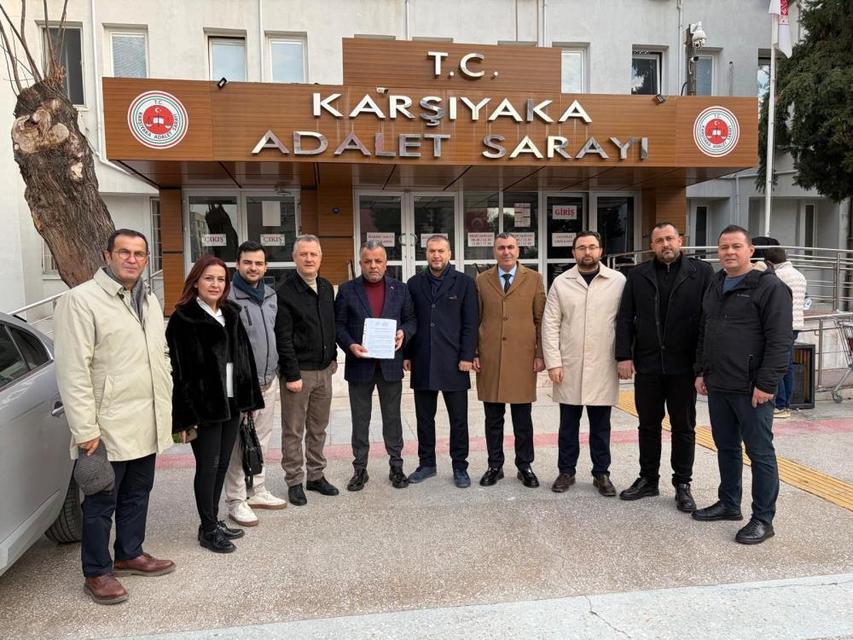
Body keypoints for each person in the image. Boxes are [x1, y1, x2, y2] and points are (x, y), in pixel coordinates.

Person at [54, 229, 175, 605]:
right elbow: (73, 371)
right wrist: (85, 429)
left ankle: (129, 553)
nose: (132, 259)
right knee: (100, 499)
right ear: (107, 256)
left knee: (138, 493)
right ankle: (97, 571)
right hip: (105, 427)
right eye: (124, 252)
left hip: (146, 418)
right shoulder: (81, 300)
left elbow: (160, 355)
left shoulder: (148, 299)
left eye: (139, 253)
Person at [693, 225, 792, 545]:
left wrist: (767, 383)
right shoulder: (716, 283)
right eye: (724, 247)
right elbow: (705, 330)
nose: (729, 252)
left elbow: (780, 340)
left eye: (736, 246)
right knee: (726, 447)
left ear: (750, 250)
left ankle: (763, 519)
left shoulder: (769, 287)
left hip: (752, 389)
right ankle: (729, 503)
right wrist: (701, 371)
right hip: (719, 383)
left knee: (760, 453)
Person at [167, 255, 264, 554]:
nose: (215, 284)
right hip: (204, 406)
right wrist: (184, 416)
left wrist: (249, 398)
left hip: (232, 403)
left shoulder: (231, 312)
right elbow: (179, 371)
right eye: (209, 278)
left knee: (222, 464)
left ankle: (213, 520)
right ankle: (208, 529)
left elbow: (244, 358)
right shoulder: (183, 319)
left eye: (221, 279)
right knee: (208, 466)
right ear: (196, 281)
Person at [615, 223, 714, 511]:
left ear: (680, 241)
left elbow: (708, 321)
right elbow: (625, 317)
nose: (665, 244)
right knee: (648, 425)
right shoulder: (638, 274)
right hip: (648, 364)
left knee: (684, 427)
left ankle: (682, 483)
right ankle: (648, 478)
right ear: (652, 246)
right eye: (659, 240)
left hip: (684, 365)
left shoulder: (701, 272)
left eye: (670, 239)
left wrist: (702, 367)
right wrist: (624, 356)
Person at [542, 231, 626, 497]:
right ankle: (566, 471)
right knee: (568, 424)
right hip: (570, 365)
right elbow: (550, 324)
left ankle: (601, 473)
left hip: (604, 364)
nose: (587, 252)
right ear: (573, 253)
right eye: (581, 248)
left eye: (592, 247)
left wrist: (625, 357)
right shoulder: (561, 283)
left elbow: (625, 323)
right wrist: (553, 363)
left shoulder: (618, 281)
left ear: (600, 251)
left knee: (601, 426)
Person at [335, 241, 417, 491]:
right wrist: (350, 345)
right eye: (368, 261)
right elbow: (338, 325)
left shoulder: (400, 289)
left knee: (393, 419)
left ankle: (396, 466)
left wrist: (404, 333)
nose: (373, 265)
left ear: (386, 263)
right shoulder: (347, 290)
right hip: (359, 365)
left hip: (390, 365)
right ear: (360, 263)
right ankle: (360, 469)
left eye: (378, 261)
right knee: (360, 420)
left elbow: (411, 320)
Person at [404, 235, 479, 488]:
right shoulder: (414, 283)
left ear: (449, 254)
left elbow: (471, 323)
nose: (436, 255)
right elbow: (410, 320)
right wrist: (407, 354)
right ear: (426, 254)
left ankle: (460, 466)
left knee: (458, 419)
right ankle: (427, 464)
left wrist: (467, 356)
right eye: (432, 251)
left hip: (454, 362)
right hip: (423, 360)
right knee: (425, 419)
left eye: (441, 251)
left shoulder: (465, 283)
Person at [474, 232, 546, 488]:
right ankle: (495, 465)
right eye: (501, 247)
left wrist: (540, 354)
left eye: (511, 247)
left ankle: (524, 465)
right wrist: (474, 353)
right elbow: (475, 318)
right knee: (493, 419)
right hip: (491, 358)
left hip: (522, 359)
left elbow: (540, 319)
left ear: (518, 250)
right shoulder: (482, 280)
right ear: (494, 251)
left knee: (522, 420)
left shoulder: (534, 279)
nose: (506, 252)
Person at [224, 241, 287, 527]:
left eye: (258, 263)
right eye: (247, 262)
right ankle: (236, 500)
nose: (253, 268)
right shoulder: (228, 297)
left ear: (265, 266)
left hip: (268, 380)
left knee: (261, 439)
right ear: (237, 264)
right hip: (242, 384)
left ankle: (257, 490)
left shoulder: (271, 295)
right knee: (239, 443)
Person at [275, 235, 339, 505]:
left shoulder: (326, 287)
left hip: (324, 370)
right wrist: (291, 375)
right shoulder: (285, 292)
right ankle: (294, 480)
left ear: (321, 257)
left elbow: (330, 325)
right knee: (293, 430)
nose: (309, 259)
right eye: (304, 254)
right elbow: (283, 338)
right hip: (298, 374)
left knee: (318, 428)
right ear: (294, 258)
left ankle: (315, 475)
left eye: (313, 254)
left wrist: (333, 357)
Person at [763, 246, 807, 418]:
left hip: (782, 324)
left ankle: (780, 405)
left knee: (778, 364)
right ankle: (786, 404)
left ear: (769, 262)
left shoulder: (777, 276)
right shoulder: (799, 275)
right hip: (796, 324)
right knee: (787, 366)